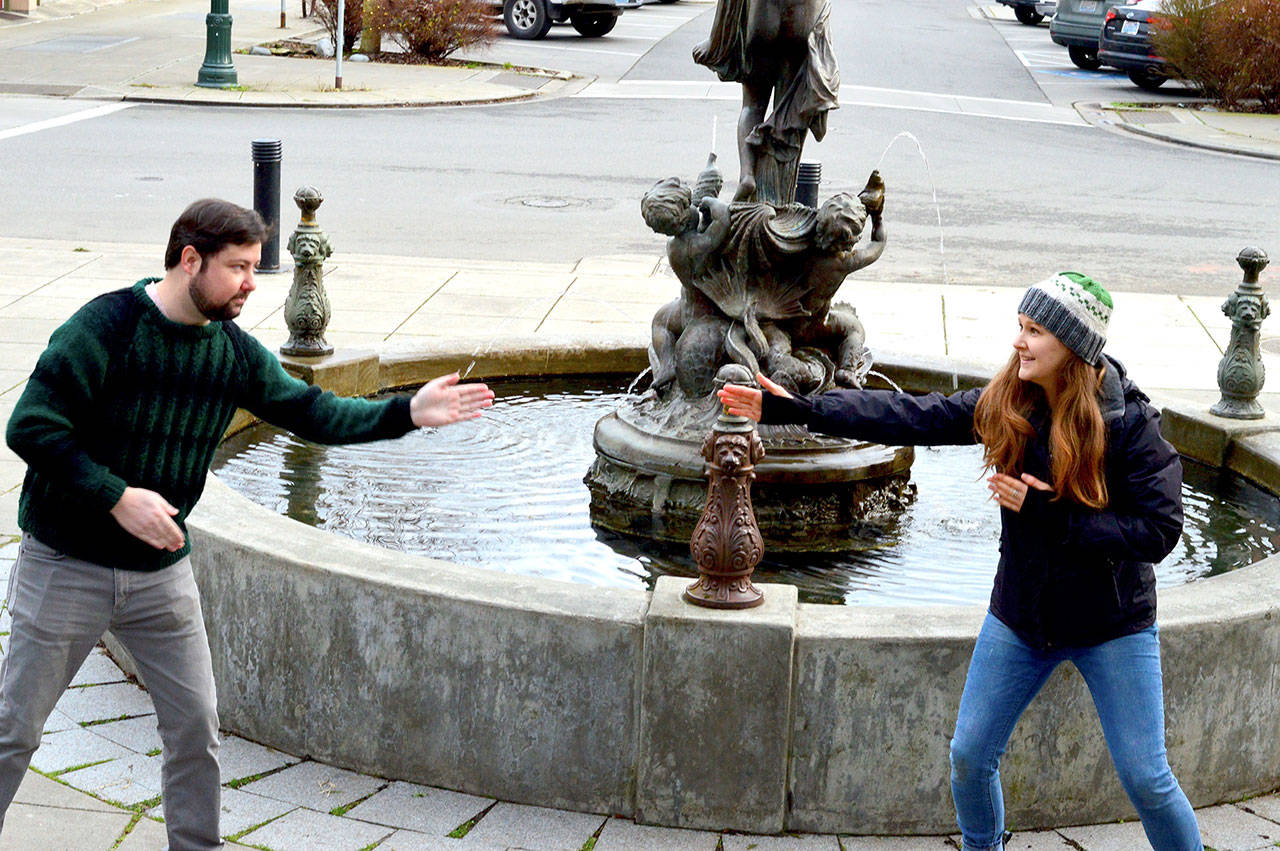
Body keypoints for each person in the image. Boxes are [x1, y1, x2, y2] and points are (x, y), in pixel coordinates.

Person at [0, 198, 494, 850]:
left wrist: (408, 412)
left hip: (160, 572)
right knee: (16, 727)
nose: (251, 283)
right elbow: (30, 425)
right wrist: (117, 496)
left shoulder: (231, 353)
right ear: (189, 259)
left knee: (197, 728)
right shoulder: (107, 327)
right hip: (67, 561)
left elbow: (314, 412)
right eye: (237, 267)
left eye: (253, 267)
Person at [719, 272, 1202, 851]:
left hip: (1113, 627)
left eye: (1035, 332)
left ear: (1072, 348)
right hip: (1022, 618)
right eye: (1020, 328)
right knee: (970, 757)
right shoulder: (1010, 402)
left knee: (1147, 779)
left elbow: (1160, 531)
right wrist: (797, 410)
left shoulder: (1129, 426)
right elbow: (912, 415)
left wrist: (1053, 515)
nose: (1019, 343)